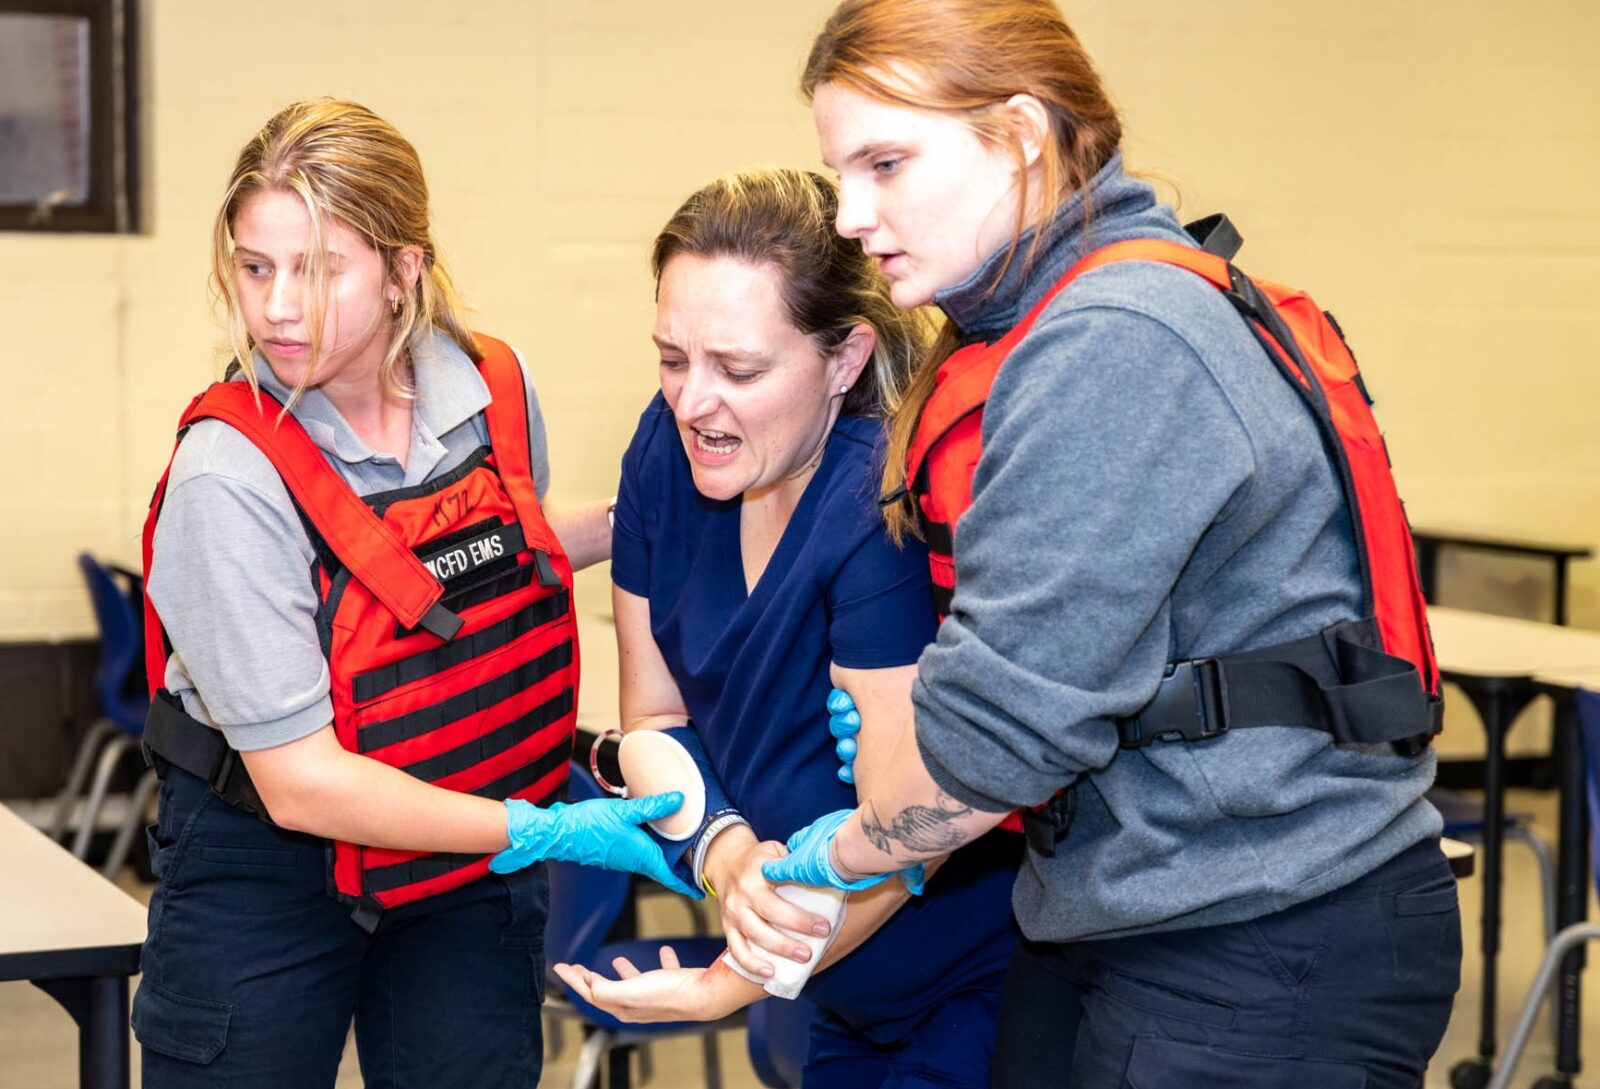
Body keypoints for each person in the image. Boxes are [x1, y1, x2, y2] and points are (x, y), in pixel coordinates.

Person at [758, 2, 1464, 1086]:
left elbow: (996, 746)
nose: (851, 215)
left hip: (1259, 929)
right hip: (1130, 903)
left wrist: (840, 857)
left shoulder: (1117, 337)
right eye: (839, 173)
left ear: (1020, 133)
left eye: (886, 164)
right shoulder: (1065, 312)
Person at [132, 99, 691, 1089]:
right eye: (256, 268)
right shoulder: (229, 473)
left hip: (462, 859)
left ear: (403, 270)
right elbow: (300, 782)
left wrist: (639, 519)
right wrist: (539, 828)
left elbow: (470, 561)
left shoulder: (491, 387)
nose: (278, 308)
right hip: (271, 862)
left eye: (318, 270)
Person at [551, 167, 1021, 1088]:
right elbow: (652, 719)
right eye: (672, 359)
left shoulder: (874, 499)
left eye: (740, 370)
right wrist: (726, 852)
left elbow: (912, 830)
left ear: (845, 360)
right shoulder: (664, 452)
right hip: (830, 978)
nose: (694, 402)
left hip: (973, 974)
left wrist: (731, 979)